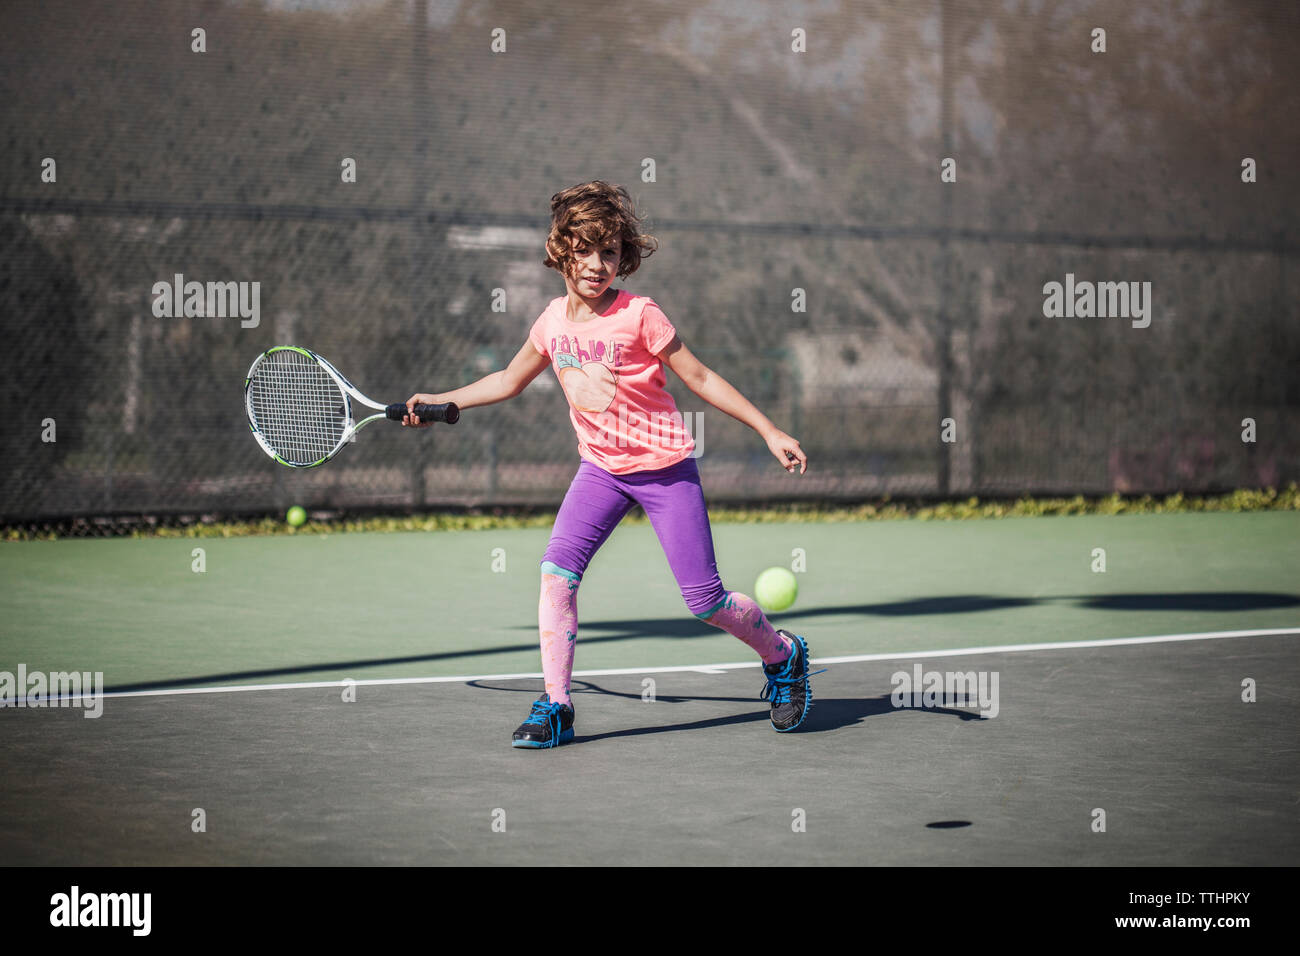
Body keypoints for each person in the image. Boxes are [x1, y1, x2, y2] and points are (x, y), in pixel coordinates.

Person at [404, 180, 816, 748]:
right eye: (585, 249)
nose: (598, 265)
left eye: (611, 252)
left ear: (623, 257)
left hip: (665, 470)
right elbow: (506, 381)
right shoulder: (551, 322)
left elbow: (698, 377)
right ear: (561, 249)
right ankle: (556, 705)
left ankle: (784, 654)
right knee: (556, 576)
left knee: (705, 602)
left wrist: (768, 428)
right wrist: (438, 401)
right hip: (600, 470)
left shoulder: (640, 315)